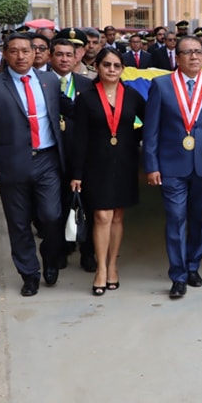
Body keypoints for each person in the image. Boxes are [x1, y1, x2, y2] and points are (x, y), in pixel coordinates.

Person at [0, 33, 68, 296]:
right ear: (5, 54)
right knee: (18, 222)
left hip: (48, 160)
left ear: (35, 53)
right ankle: (29, 273)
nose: (20, 56)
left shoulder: (50, 80)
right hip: (11, 164)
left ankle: (51, 259)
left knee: (52, 216)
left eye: (26, 51)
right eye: (14, 51)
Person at [144, 35, 202, 299]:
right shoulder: (161, 85)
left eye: (198, 51)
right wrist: (151, 165)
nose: (195, 56)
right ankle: (178, 274)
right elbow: (151, 130)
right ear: (177, 58)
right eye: (188, 52)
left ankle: (194, 265)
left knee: (200, 218)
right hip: (171, 165)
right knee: (176, 218)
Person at [70, 48, 147, 295]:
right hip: (96, 164)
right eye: (106, 65)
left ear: (122, 69)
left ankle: (113, 264)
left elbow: (150, 123)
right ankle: (100, 268)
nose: (111, 70)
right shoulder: (87, 98)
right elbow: (79, 137)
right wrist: (76, 173)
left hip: (124, 162)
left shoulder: (132, 96)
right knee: (102, 216)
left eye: (116, 66)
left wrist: (130, 138)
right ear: (98, 68)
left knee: (117, 217)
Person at [49, 33, 97, 272]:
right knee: (55, 208)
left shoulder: (87, 84)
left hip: (83, 157)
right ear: (50, 56)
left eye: (69, 54)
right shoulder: (42, 82)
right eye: (59, 54)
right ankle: (58, 252)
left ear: (77, 55)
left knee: (87, 205)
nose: (65, 59)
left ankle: (88, 252)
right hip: (52, 156)